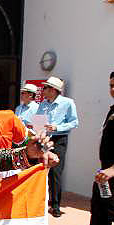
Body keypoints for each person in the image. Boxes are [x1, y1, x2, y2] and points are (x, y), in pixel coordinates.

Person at [68, 72, 114, 225]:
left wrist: (112, 170)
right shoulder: (113, 109)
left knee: (107, 210)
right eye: (111, 85)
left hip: (111, 172)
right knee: (101, 210)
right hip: (106, 173)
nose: (113, 89)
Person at [36, 76, 79, 217]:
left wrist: (57, 127)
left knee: (55, 172)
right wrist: (37, 131)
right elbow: (38, 123)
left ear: (53, 90)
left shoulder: (68, 103)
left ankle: (55, 205)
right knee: (40, 168)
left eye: (45, 88)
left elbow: (74, 122)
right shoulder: (42, 104)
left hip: (59, 139)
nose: (43, 90)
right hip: (43, 139)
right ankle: (39, 201)